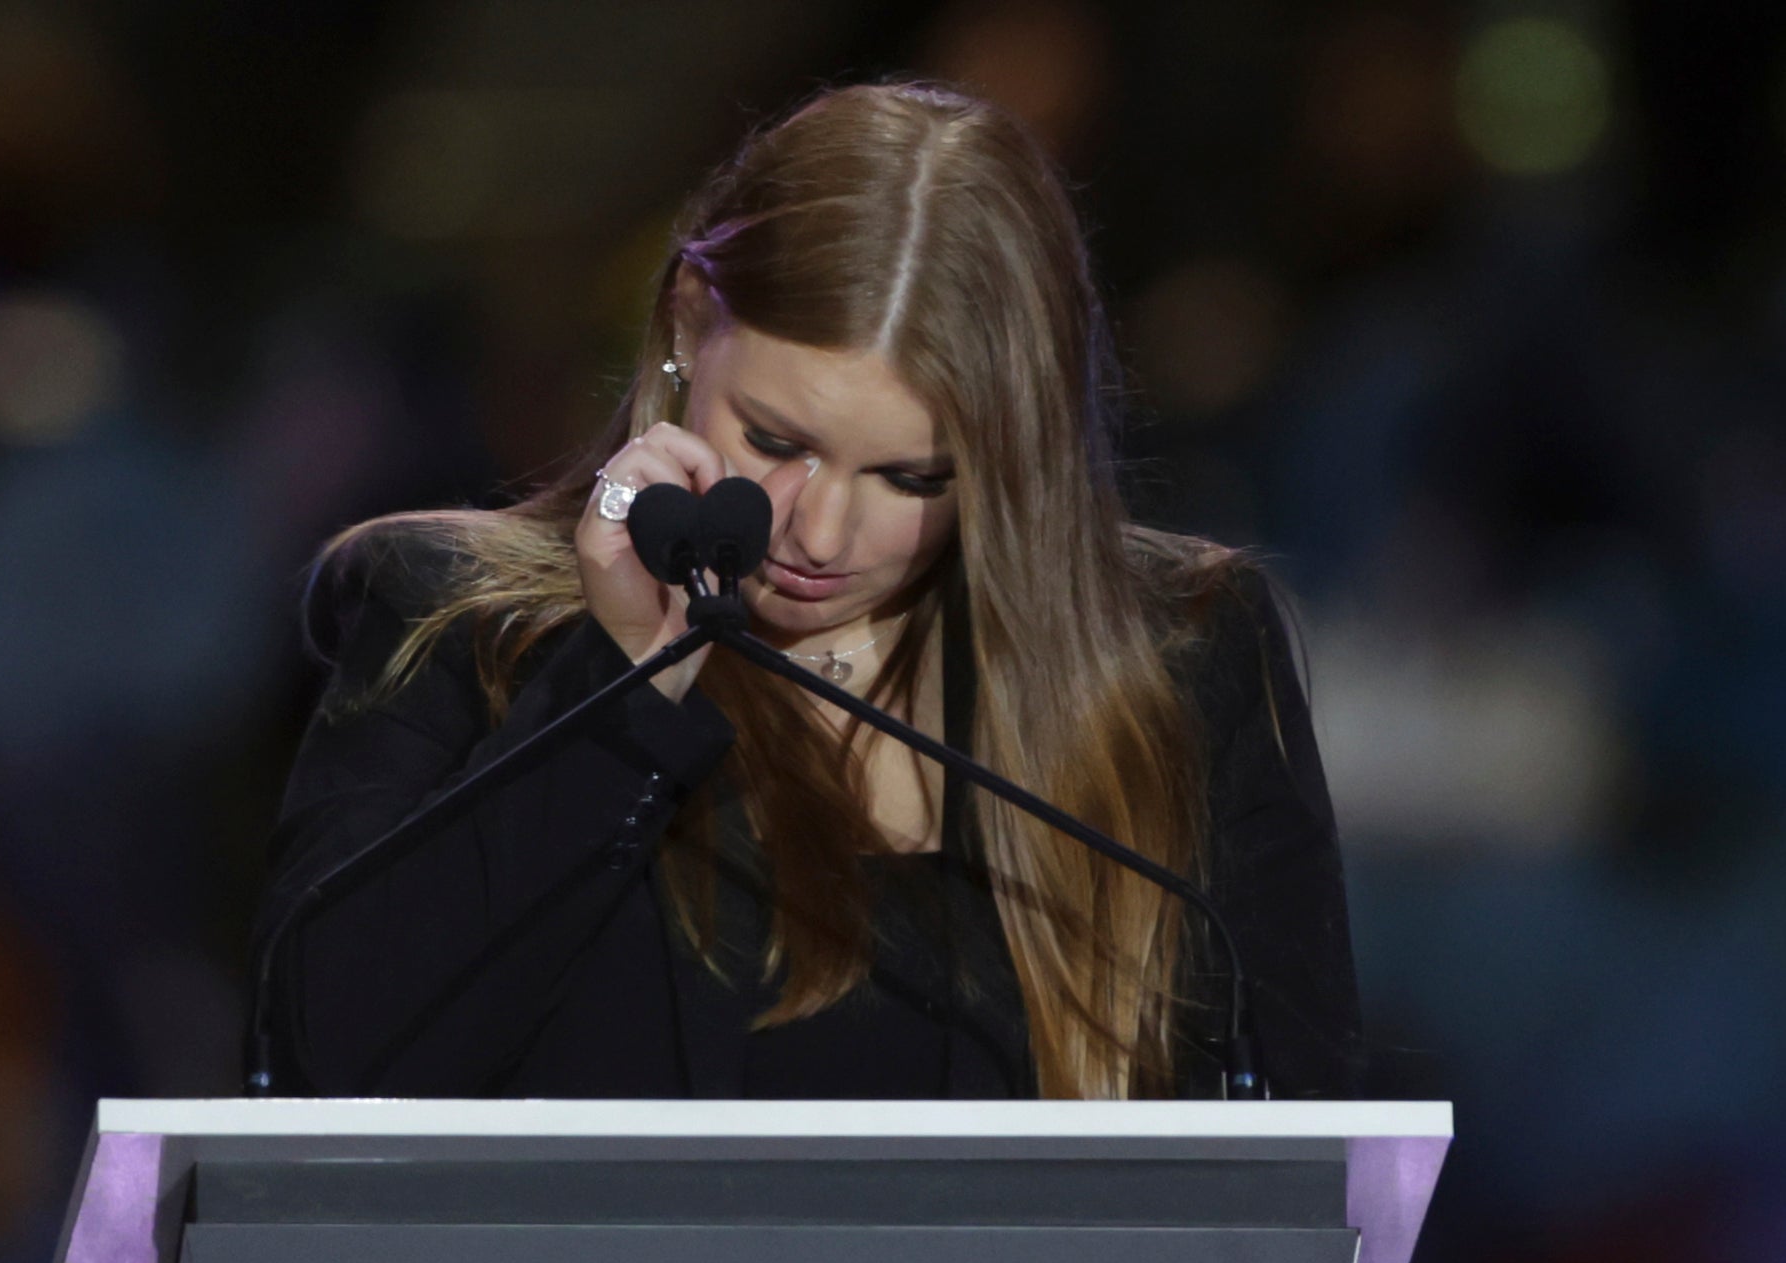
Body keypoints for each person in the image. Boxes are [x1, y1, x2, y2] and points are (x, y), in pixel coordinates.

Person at [252, 82, 1359, 1102]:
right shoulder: (458, 622)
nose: (818, 532)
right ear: (690, 320)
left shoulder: (1183, 658)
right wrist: (627, 681)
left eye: (913, 477)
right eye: (775, 440)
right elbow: (329, 1064)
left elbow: (1302, 1162)